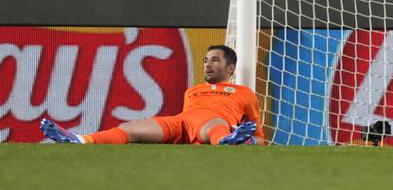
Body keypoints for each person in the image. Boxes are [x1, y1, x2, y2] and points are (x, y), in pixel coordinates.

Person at [42, 44, 262, 145]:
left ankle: (226, 141)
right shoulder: (192, 91)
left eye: (215, 60)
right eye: (205, 60)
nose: (207, 65)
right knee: (129, 128)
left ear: (230, 68)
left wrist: (250, 140)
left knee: (215, 123)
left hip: (214, 125)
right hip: (182, 124)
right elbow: (188, 121)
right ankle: (80, 140)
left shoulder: (245, 94)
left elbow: (261, 138)